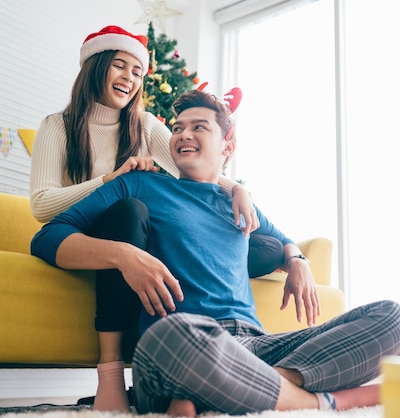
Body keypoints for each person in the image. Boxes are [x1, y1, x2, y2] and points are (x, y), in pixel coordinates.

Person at [30, 88, 400, 415]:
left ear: (227, 145)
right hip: (181, 343)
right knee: (175, 335)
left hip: (254, 346)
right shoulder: (141, 185)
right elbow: (48, 237)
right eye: (178, 128)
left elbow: (284, 241)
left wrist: (297, 260)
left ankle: (251, 389)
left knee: (392, 318)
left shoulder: (239, 203)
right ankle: (319, 403)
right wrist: (123, 255)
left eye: (199, 127)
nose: (183, 134)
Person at [29, 25, 283, 412]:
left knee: (263, 246)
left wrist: (240, 190)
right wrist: (112, 179)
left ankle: (213, 343)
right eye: (119, 66)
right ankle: (112, 374)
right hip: (94, 235)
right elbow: (43, 207)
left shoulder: (146, 125)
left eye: (137, 72)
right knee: (130, 210)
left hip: (153, 241)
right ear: (95, 68)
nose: (129, 79)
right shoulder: (57, 127)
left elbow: (199, 168)